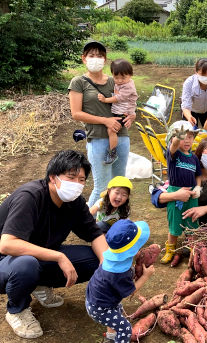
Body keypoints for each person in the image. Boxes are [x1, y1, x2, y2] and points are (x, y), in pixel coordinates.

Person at [0, 150, 108, 339]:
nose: (76, 185)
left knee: (94, 259)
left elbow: (95, 234)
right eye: (71, 177)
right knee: (27, 264)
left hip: (35, 256)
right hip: (6, 262)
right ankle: (17, 310)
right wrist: (58, 256)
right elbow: (7, 245)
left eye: (81, 180)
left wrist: (107, 265)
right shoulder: (30, 197)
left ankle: (39, 285)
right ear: (53, 177)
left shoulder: (74, 202)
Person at [69, 41, 135, 208]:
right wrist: (105, 120)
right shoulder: (79, 82)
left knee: (120, 184)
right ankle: (89, 223)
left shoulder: (116, 80)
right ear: (84, 59)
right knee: (102, 186)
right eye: (91, 55)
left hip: (121, 136)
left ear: (105, 60)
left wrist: (133, 114)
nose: (95, 59)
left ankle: (115, 222)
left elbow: (129, 99)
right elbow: (76, 113)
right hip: (98, 138)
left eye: (99, 56)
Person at [152, 137, 207, 234]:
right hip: (191, 216)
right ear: (200, 151)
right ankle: (192, 235)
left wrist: (204, 209)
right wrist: (175, 195)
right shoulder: (187, 171)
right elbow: (156, 196)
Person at [86, 219, 154, 343]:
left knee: (118, 310)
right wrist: (145, 276)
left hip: (97, 299)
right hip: (100, 309)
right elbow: (130, 292)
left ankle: (111, 338)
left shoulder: (113, 258)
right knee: (125, 328)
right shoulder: (119, 274)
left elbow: (126, 272)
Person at [160, 120, 202, 265]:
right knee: (174, 225)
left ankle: (194, 251)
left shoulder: (194, 158)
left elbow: (198, 175)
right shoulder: (173, 155)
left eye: (190, 137)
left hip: (191, 196)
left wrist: (198, 187)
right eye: (184, 137)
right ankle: (170, 250)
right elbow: (173, 146)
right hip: (175, 193)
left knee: (192, 224)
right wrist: (178, 136)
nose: (187, 140)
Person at [97, 59, 138, 165]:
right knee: (112, 130)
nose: (119, 80)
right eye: (116, 77)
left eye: (123, 77)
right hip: (120, 111)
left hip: (123, 113)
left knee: (111, 130)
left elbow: (118, 98)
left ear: (130, 75)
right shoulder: (121, 82)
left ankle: (112, 153)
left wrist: (105, 100)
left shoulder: (128, 86)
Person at [181, 58, 207, 128]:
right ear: (196, 72)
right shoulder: (189, 83)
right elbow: (186, 106)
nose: (206, 77)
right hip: (191, 111)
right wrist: (189, 117)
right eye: (203, 74)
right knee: (190, 133)